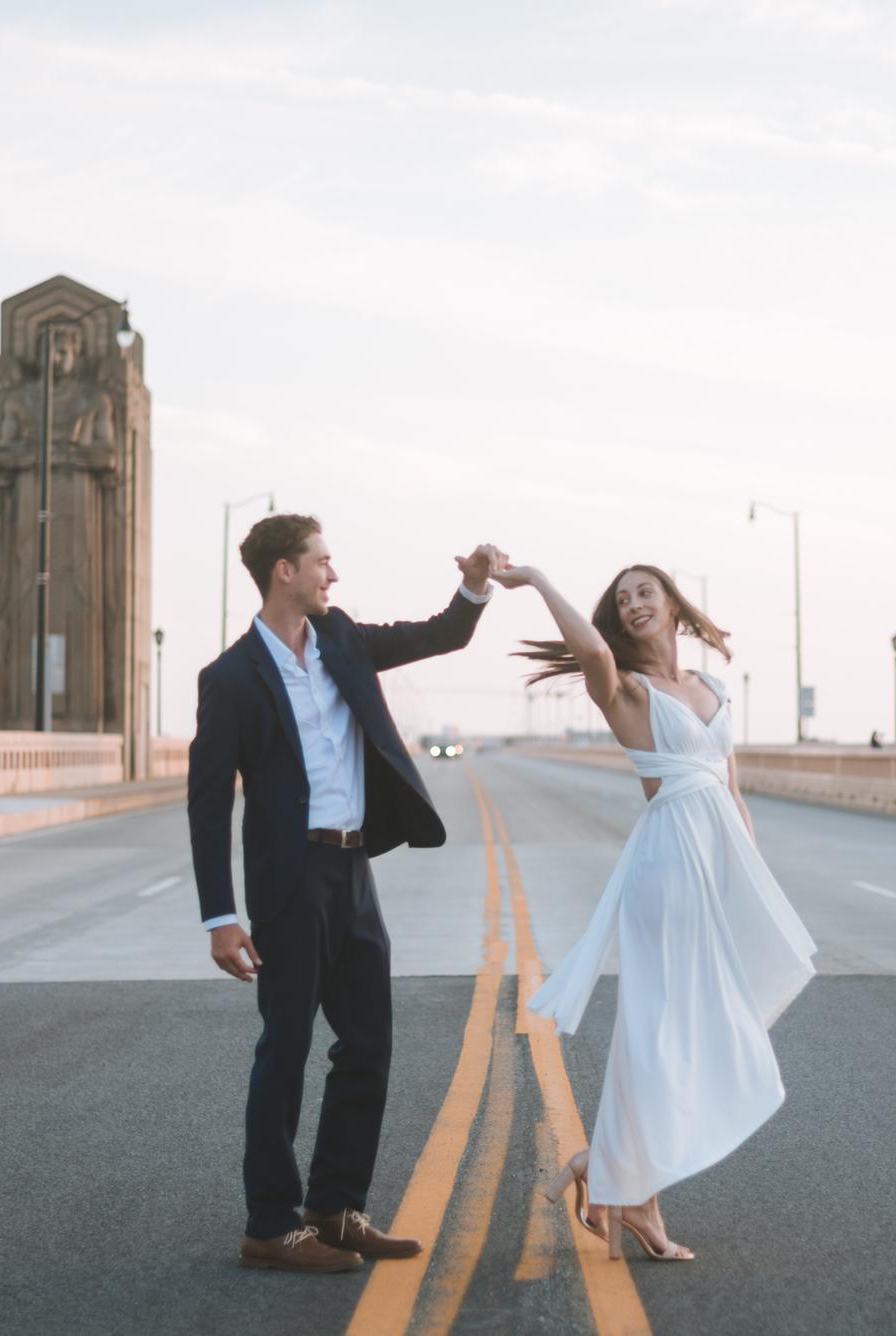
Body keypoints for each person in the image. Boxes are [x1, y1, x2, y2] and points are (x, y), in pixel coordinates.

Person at [188, 513, 508, 1273]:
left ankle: (334, 1208)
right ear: (284, 574)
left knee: (367, 1043)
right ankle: (270, 1222)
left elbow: (440, 635)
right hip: (289, 880)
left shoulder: (343, 641)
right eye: (323, 562)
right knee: (287, 1048)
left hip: (353, 871)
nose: (334, 575)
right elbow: (208, 801)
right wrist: (220, 915)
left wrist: (472, 588)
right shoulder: (231, 678)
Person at [495, 562, 818, 1262]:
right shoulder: (626, 689)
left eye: (646, 591)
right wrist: (535, 580)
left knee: (713, 1023)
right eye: (622, 599)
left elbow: (731, 792)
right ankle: (624, 1183)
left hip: (720, 868)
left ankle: (611, 1174)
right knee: (659, 1032)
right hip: (667, 869)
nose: (635, 603)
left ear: (673, 602)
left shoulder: (711, 688)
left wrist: (750, 880)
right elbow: (590, 652)